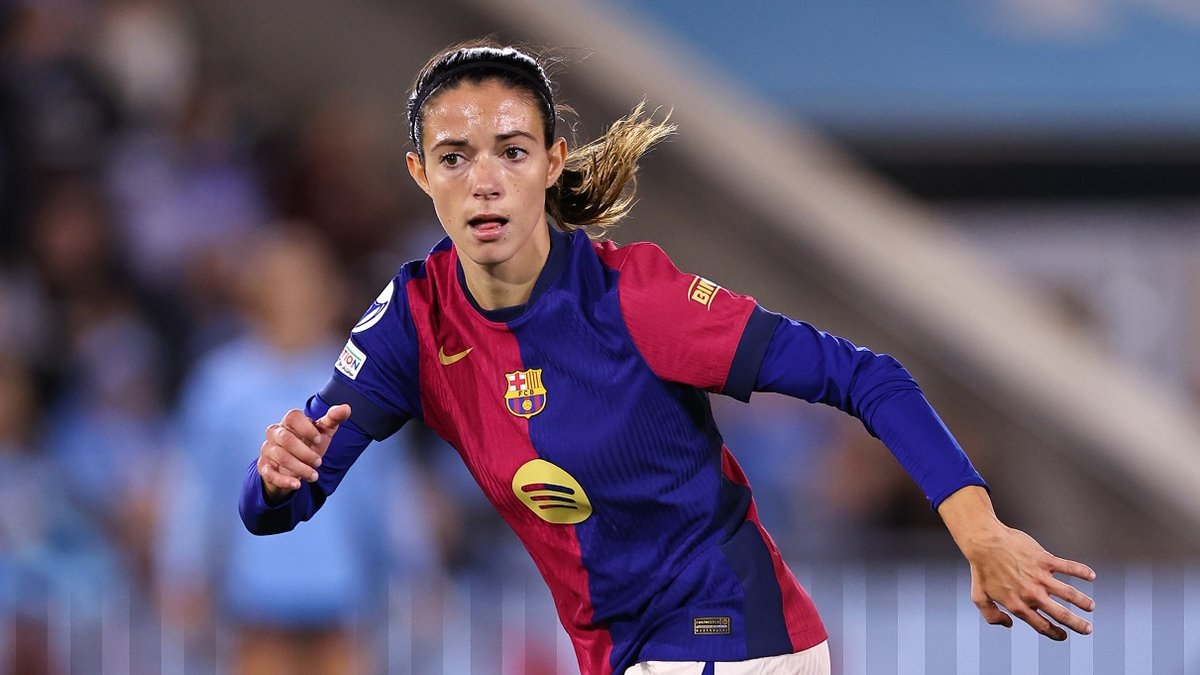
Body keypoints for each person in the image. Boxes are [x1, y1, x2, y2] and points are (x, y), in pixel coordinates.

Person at [239, 39, 1096, 675]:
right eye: (454, 158)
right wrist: (276, 479)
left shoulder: (638, 300)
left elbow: (867, 376)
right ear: (420, 174)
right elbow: (281, 502)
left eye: (512, 151)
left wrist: (980, 530)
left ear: (553, 163)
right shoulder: (413, 320)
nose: (485, 180)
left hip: (735, 638)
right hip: (628, 654)